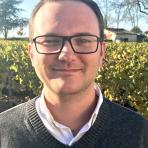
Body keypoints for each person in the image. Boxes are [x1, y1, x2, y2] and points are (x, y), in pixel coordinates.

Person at [0, 0, 147, 147]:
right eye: (50, 41)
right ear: (31, 54)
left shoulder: (141, 134)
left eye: (83, 40)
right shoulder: (3, 132)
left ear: (102, 52)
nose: (67, 55)